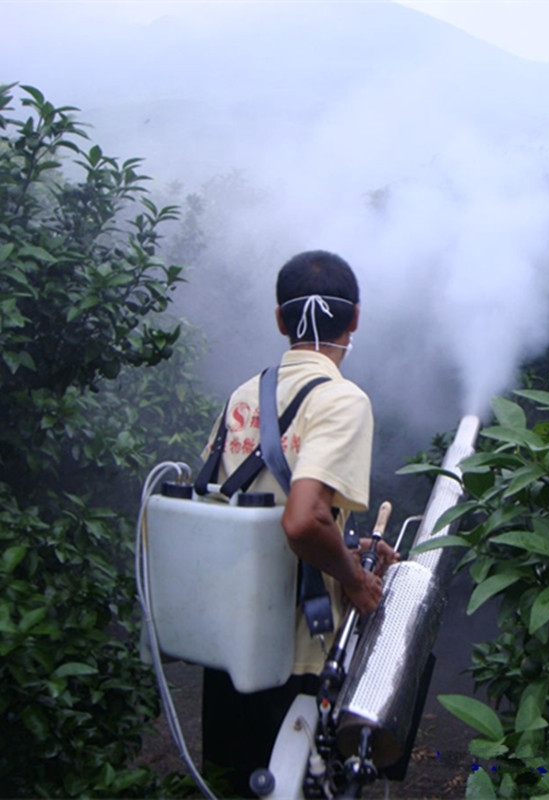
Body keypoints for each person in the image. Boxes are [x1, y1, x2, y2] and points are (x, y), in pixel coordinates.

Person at [199, 249, 397, 796]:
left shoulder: (246, 394)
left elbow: (250, 505)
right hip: (296, 649)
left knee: (235, 785)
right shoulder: (341, 399)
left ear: (280, 320)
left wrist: (348, 545)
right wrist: (355, 581)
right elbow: (303, 518)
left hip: (229, 636)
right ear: (355, 318)